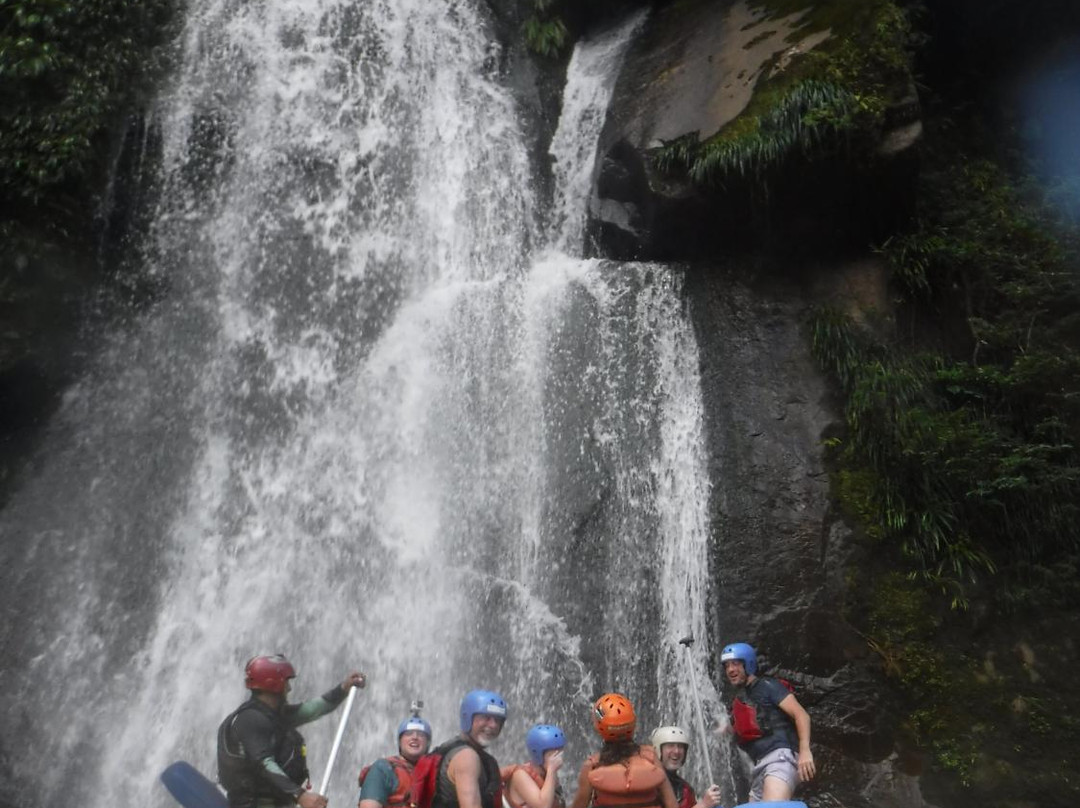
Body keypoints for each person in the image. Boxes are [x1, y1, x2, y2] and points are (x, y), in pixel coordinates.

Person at [217, 653, 366, 808]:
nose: (289, 688)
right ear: (273, 684)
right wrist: (300, 795)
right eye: (286, 682)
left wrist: (344, 688)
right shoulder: (250, 719)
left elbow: (315, 709)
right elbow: (264, 764)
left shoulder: (274, 715)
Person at [720, 642, 815, 803]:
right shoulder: (740, 699)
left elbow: (801, 715)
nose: (730, 670)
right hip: (760, 766)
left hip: (780, 759)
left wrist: (805, 751)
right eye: (727, 666)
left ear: (748, 664)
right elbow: (740, 726)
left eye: (735, 663)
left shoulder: (768, 686)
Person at [569, 693, 679, 808]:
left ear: (598, 728)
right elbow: (672, 804)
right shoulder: (650, 757)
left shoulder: (592, 765)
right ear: (633, 724)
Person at [430, 689, 508, 808]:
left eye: (498, 720)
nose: (493, 725)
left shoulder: (451, 749)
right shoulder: (467, 757)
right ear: (467, 718)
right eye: (486, 717)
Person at [357, 707, 433, 808]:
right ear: (400, 742)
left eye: (421, 735)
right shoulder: (383, 769)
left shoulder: (436, 774)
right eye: (408, 733)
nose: (415, 737)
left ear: (428, 743)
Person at [648, 726, 722, 808]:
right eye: (670, 746)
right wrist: (703, 805)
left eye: (680, 746)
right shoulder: (648, 784)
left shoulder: (685, 790)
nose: (676, 751)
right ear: (657, 750)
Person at [502, 724, 566, 808]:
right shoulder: (520, 775)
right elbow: (543, 806)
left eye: (560, 752)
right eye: (554, 754)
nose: (559, 758)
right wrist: (551, 769)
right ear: (538, 754)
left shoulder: (546, 774)